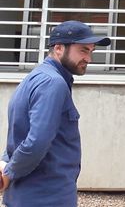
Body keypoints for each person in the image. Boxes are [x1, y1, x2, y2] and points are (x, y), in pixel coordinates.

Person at [0, 21, 110, 206]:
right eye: (83, 50)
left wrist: (7, 164)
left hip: (28, 195)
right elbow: (36, 141)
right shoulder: (53, 83)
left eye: (91, 51)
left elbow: (19, 134)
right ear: (58, 48)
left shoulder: (36, 78)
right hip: (46, 196)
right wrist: (9, 173)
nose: (89, 59)